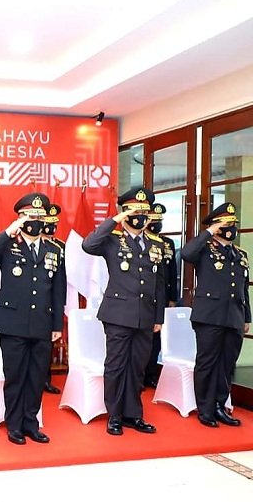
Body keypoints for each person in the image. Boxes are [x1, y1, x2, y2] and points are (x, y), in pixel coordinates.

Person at [0, 193, 65, 445]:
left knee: (36, 378)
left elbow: (58, 290)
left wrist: (57, 324)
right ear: (20, 218)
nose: (34, 221)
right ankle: (14, 425)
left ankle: (31, 423)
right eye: (29, 216)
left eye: (39, 216)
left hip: (42, 323)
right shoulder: (8, 245)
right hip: (12, 323)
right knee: (15, 377)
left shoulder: (54, 250)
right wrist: (8, 232)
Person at [82, 186, 166, 436]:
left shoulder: (155, 243)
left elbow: (159, 283)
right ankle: (115, 415)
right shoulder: (112, 240)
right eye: (134, 211)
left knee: (137, 367)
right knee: (117, 366)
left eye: (144, 212)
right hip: (118, 314)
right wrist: (115, 219)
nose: (140, 216)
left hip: (145, 316)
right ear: (126, 212)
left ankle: (133, 415)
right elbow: (88, 244)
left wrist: (158, 317)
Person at [181, 202, 249, 428]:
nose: (231, 228)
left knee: (227, 365)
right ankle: (205, 408)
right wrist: (209, 231)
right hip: (209, 316)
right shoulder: (204, 249)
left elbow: (244, 289)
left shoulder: (241, 254)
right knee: (207, 363)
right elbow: (186, 253)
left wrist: (246, 317)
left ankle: (220, 405)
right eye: (225, 224)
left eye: (233, 223)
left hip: (234, 317)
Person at [143, 203, 179, 389]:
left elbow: (172, 272)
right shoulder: (142, 242)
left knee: (156, 338)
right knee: (143, 338)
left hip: (162, 296)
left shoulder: (167, 243)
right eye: (153, 220)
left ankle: (150, 374)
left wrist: (172, 297)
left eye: (159, 220)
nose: (157, 224)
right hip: (144, 296)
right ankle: (139, 375)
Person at [40, 203, 66, 394]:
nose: (51, 227)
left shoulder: (59, 247)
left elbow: (61, 279)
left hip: (50, 303)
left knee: (46, 346)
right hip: (32, 301)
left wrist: (61, 303)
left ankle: (45, 379)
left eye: (53, 223)